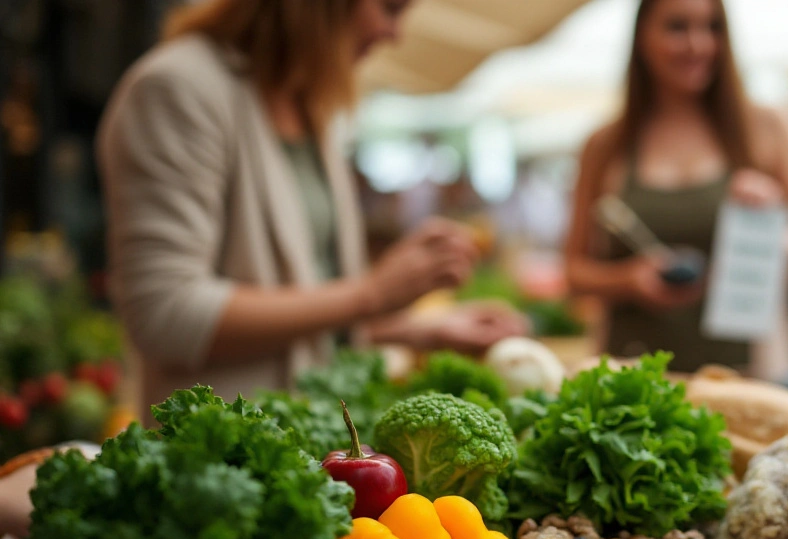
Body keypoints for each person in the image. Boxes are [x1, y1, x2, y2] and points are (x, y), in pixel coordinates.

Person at [98, 0, 527, 414]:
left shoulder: (309, 104)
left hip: (313, 448)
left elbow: (308, 306)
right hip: (223, 463)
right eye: (390, 8)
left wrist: (421, 330)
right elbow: (166, 316)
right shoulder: (177, 87)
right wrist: (372, 293)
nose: (394, 35)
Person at [562, 0, 788, 375]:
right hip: (633, 377)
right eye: (677, 27)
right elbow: (573, 271)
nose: (698, 44)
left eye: (712, 27)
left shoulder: (766, 126)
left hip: (744, 373)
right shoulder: (605, 145)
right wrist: (630, 279)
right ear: (642, 36)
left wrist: (762, 233)